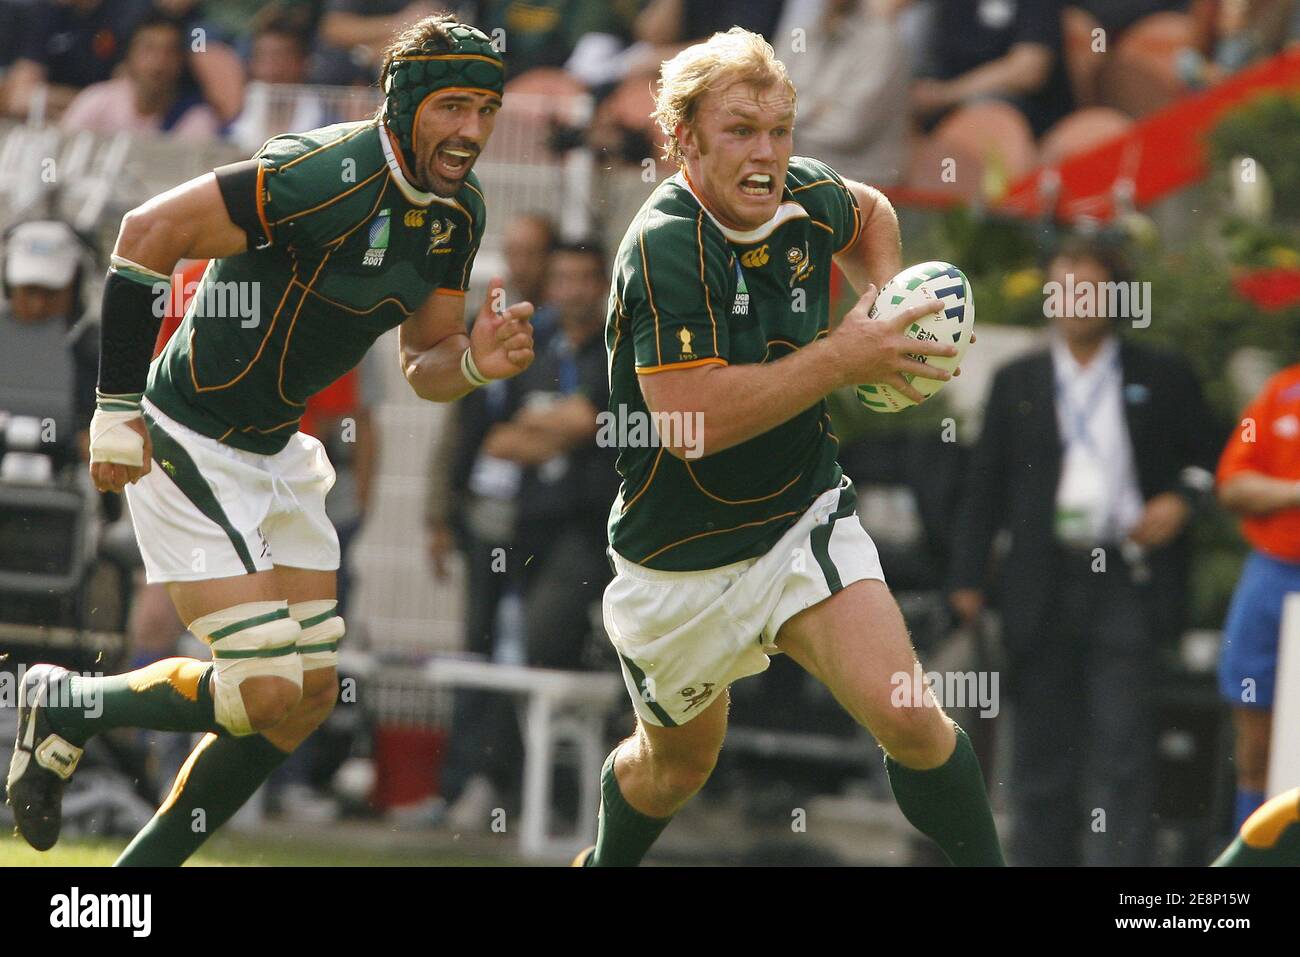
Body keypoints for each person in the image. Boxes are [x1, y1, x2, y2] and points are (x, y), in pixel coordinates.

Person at [6, 15, 535, 865]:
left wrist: (475, 360)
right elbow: (146, 236)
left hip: (277, 451)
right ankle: (69, 704)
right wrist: (116, 409)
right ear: (403, 105)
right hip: (189, 432)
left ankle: (131, 879)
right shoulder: (321, 174)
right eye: (453, 106)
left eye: (486, 109)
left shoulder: (457, 212)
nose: (471, 130)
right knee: (261, 687)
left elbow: (423, 359)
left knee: (307, 694)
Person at [578, 28, 1004, 868]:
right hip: (680, 561)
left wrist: (879, 309)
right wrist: (846, 357)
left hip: (802, 516)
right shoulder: (665, 242)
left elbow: (872, 210)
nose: (767, 153)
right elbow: (691, 425)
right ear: (684, 138)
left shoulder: (801, 196)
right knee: (674, 770)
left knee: (913, 716)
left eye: (780, 129)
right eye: (740, 130)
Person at [948, 235, 1220, 866]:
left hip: (1128, 576)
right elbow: (985, 484)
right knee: (1040, 748)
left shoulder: (1160, 374)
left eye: (1089, 286)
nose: (1073, 300)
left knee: (1121, 742)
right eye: (1062, 286)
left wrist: (1181, 500)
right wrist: (965, 577)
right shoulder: (1020, 378)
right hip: (1042, 579)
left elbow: (1211, 456)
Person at [1214, 361, 1300, 830]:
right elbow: (1234, 483)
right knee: (1255, 732)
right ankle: (1253, 849)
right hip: (1274, 575)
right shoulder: (1282, 391)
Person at [0, 218, 99, 471]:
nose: (38, 305)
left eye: (51, 292)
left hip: (71, 479)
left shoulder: (96, 351)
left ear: (75, 287)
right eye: (29, 291)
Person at [59, 10, 221, 140]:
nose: (158, 62)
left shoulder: (196, 119)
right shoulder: (97, 101)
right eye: (148, 49)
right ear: (129, 55)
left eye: (169, 52)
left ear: (181, 62)